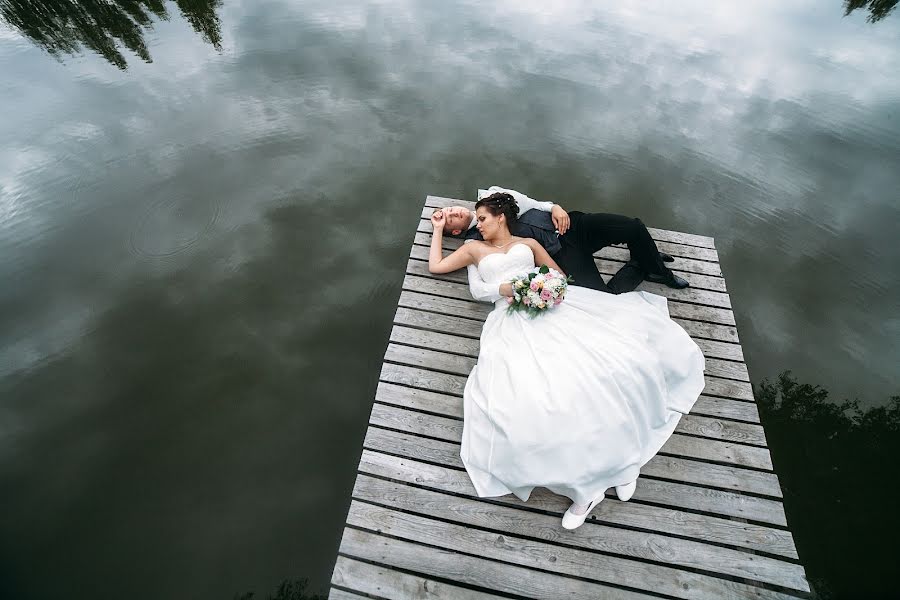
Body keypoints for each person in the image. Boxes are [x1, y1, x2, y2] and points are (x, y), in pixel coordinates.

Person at [429, 194, 705, 530]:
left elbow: (557, 275)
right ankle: (590, 486)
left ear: (500, 217)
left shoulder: (528, 242)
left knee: (616, 366)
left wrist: (542, 288)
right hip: (512, 321)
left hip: (551, 309)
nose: (478, 225)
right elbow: (445, 272)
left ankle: (623, 465)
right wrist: (441, 231)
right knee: (539, 400)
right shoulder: (474, 250)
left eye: (482, 219)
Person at [433, 186, 689, 293]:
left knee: (632, 227)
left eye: (450, 209)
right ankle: (641, 265)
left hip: (573, 225)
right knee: (601, 298)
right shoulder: (475, 241)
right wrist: (437, 228)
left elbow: (532, 203)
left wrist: (555, 207)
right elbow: (445, 265)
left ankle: (657, 270)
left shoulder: (491, 197)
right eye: (450, 219)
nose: (453, 213)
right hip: (561, 254)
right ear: (455, 231)